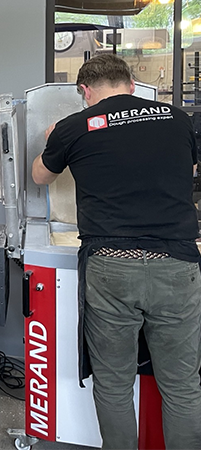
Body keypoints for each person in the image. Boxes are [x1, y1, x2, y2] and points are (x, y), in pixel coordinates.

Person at [32, 54, 201, 449]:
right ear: (130, 82)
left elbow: (41, 175)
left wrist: (53, 141)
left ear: (85, 91)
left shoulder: (75, 126)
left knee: (113, 383)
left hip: (111, 265)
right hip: (177, 263)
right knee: (181, 385)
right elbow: (189, 171)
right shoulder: (177, 118)